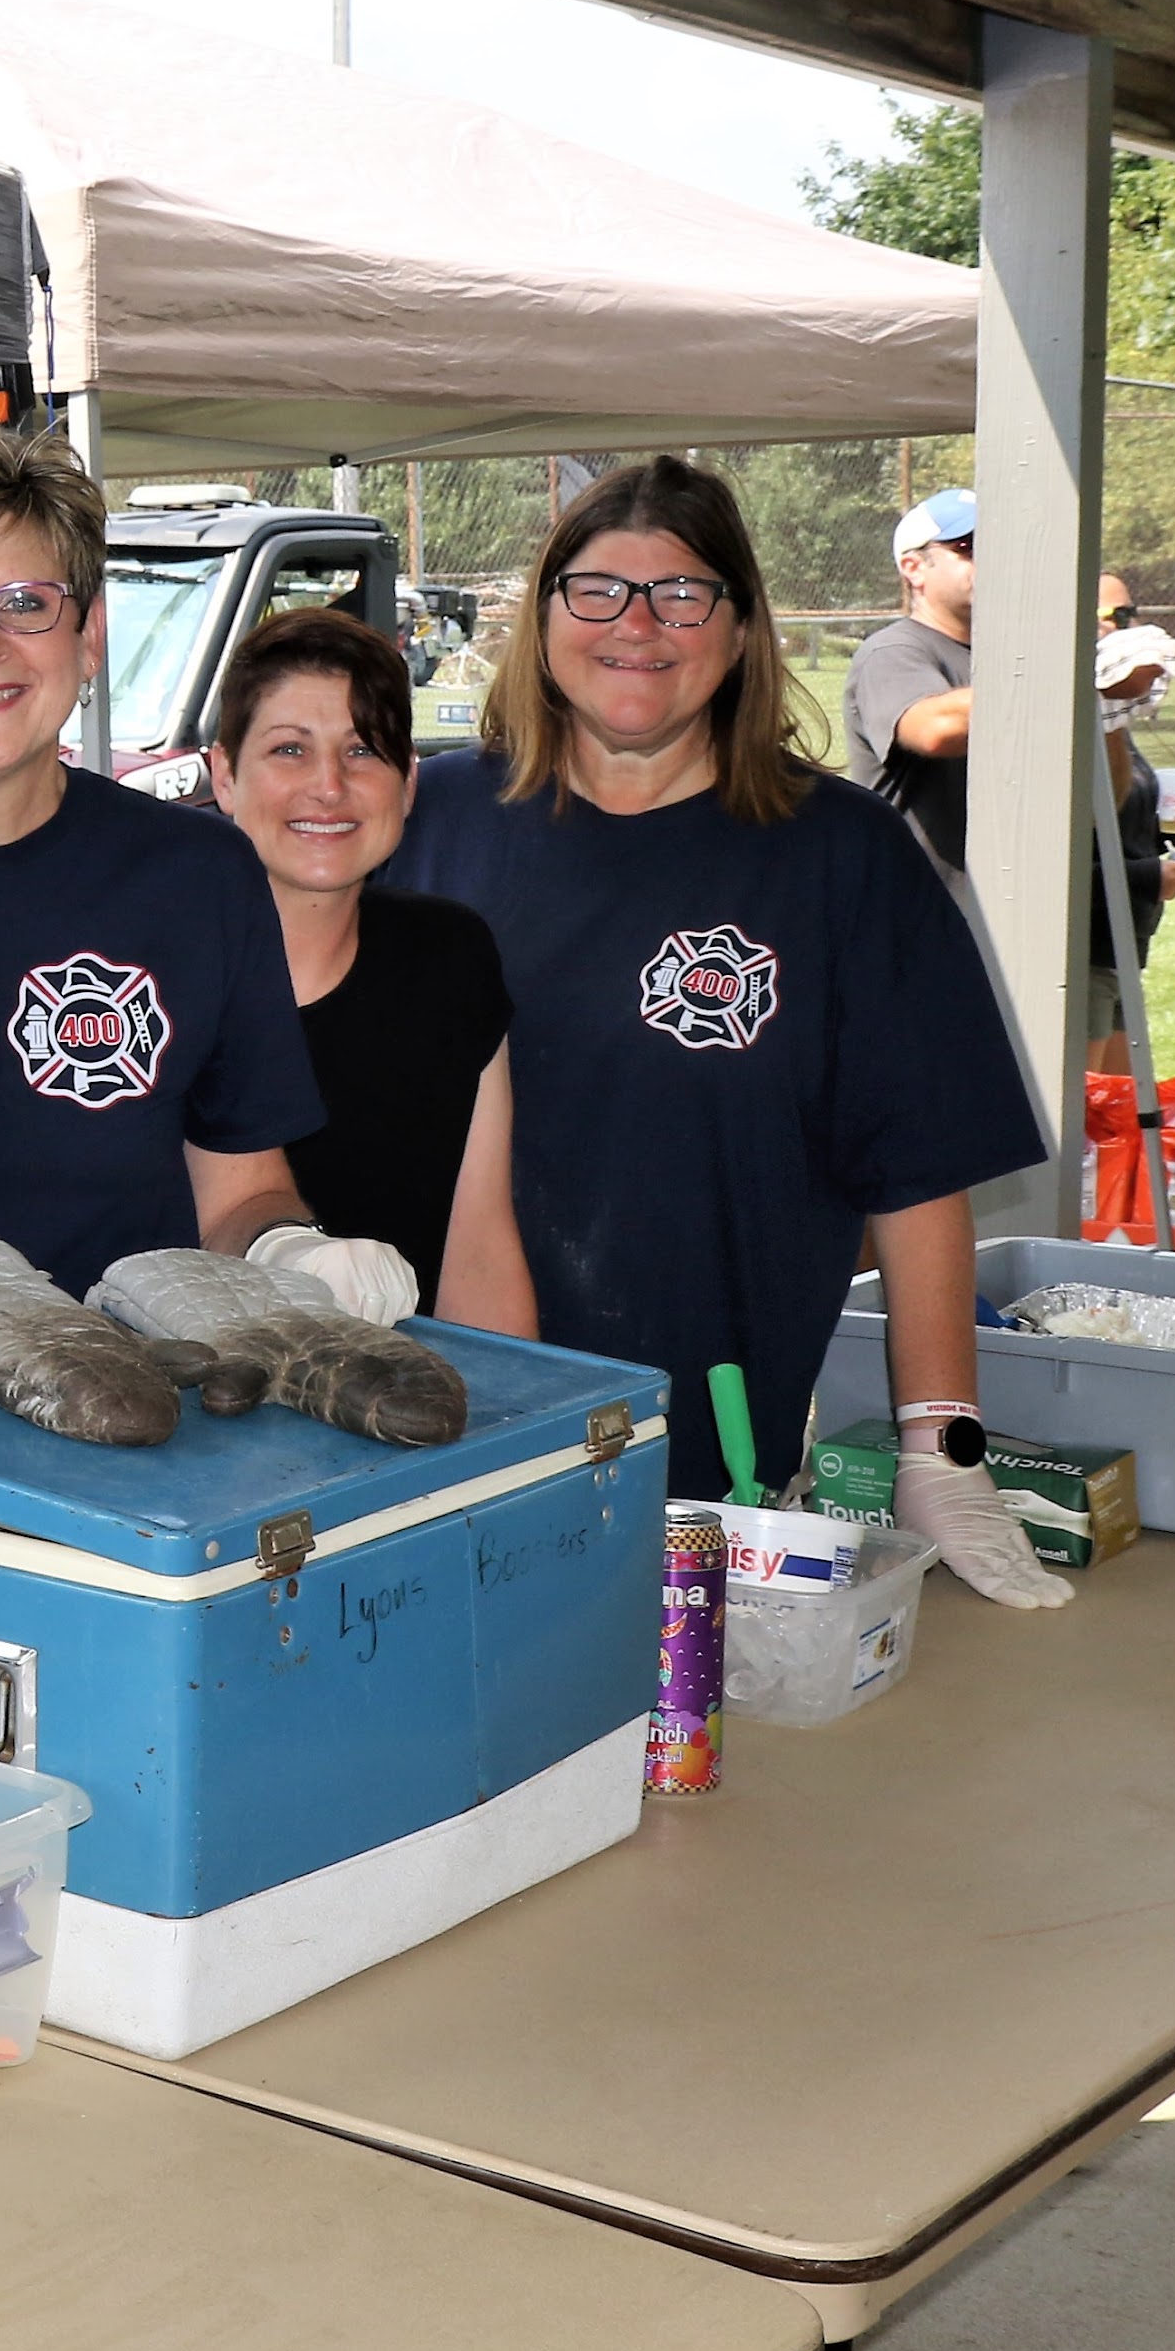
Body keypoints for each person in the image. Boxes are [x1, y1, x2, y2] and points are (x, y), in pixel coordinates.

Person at [386, 456, 1067, 1604]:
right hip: (430, 1444)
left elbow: (916, 1165)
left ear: (742, 628)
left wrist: (938, 1448)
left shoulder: (838, 856)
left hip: (712, 1473)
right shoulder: (425, 826)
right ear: (543, 618)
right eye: (596, 590)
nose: (638, 626)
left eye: (683, 595)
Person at [0, 432, 410, 1322]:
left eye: (26, 602)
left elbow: (238, 1188)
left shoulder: (197, 876)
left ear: (91, 634)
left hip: (137, 1419)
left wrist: (292, 1250)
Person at [203, 606, 537, 1334]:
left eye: (364, 752)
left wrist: (517, 1427)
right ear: (224, 776)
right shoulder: (157, 973)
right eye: (290, 750)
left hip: (397, 1410)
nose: (329, 785)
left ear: (409, 784)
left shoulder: (450, 960)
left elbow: (477, 1244)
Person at [1086, 572, 1175, 1071]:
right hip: (1083, 951)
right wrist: (1148, 877)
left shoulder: (1111, 720)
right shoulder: (1071, 721)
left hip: (1120, 947)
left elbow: (1120, 818)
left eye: (1130, 612)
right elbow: (1059, 857)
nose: (1129, 624)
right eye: (1115, 616)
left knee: (1124, 1121)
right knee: (1082, 1125)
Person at [841, 487, 976, 878]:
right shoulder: (892, 652)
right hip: (922, 912)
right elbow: (936, 730)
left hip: (1011, 908)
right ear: (914, 568)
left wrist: (1109, 701)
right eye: (967, 547)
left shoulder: (1012, 655)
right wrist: (1054, 686)